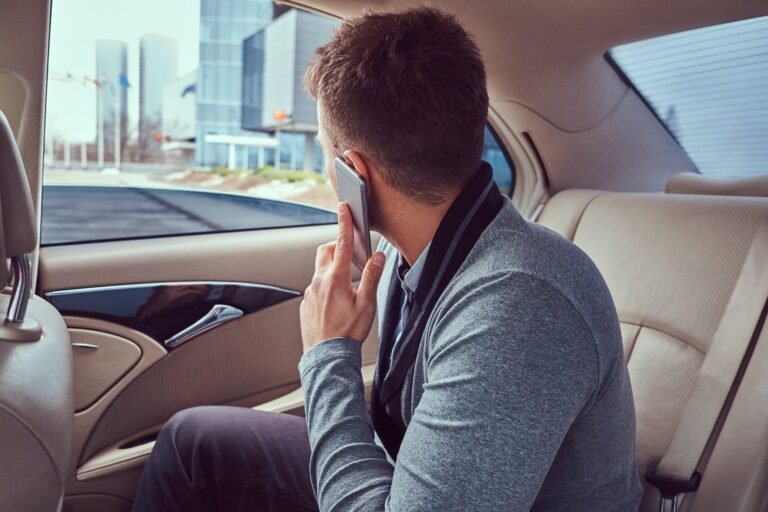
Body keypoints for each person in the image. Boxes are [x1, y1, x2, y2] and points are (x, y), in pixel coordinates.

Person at [133, 7, 642, 511]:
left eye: (324, 153)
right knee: (193, 442)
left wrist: (329, 353)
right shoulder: (414, 246)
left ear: (354, 171)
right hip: (409, 474)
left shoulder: (520, 306)